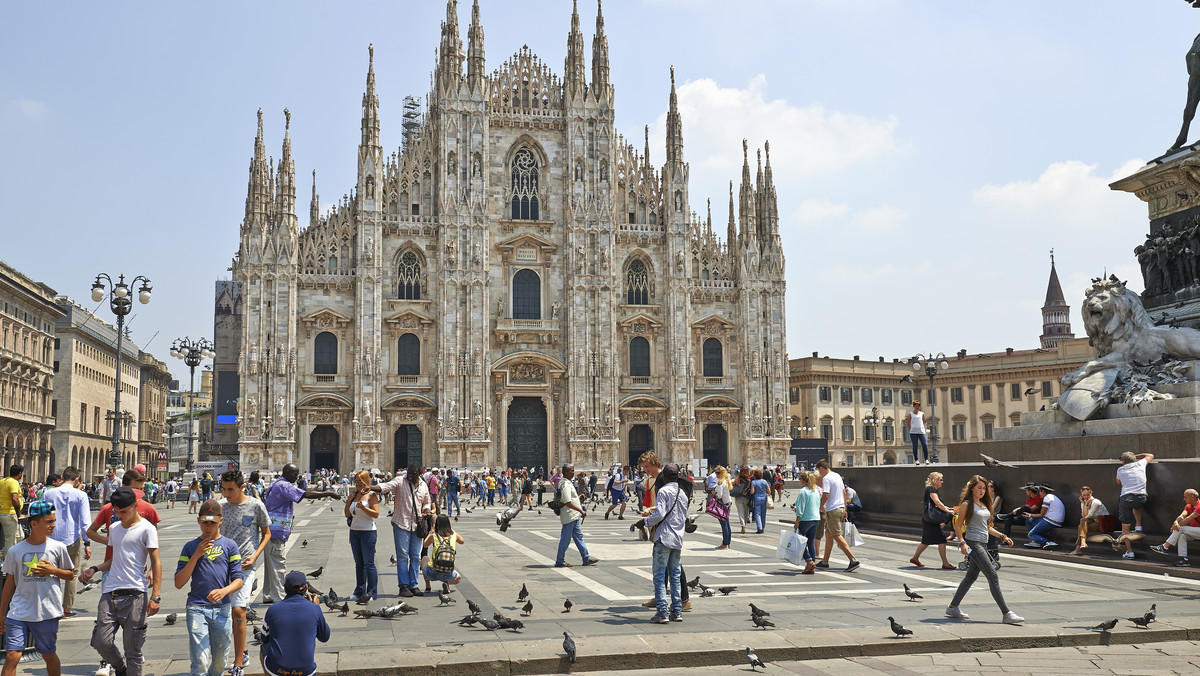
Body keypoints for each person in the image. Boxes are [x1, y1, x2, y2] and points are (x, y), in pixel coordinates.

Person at [80, 487, 162, 676]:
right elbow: (115, 559)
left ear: (135, 505)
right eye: (116, 512)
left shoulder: (147, 529)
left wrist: (155, 596)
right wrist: (95, 568)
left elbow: (156, 563)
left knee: (133, 650)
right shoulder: (115, 528)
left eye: (123, 512)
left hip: (135, 594)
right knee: (102, 641)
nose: (119, 516)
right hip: (111, 591)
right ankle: (121, 669)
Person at [0, 500, 74, 676]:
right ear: (34, 523)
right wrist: (2, 612)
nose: (53, 525)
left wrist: (53, 570)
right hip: (19, 611)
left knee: (48, 654)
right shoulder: (15, 551)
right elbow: (10, 583)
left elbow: (70, 575)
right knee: (12, 655)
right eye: (49, 522)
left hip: (47, 611)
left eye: (54, 521)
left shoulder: (58, 547)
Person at [174, 500, 244, 676]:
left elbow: (238, 580)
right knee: (200, 662)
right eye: (205, 522)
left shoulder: (230, 545)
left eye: (212, 522)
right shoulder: (190, 547)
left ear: (221, 520)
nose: (208, 526)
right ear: (198, 521)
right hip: (197, 608)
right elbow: (178, 582)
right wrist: (196, 555)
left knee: (220, 663)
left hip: (222, 609)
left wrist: (224, 591)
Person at [945, 475, 1024, 625]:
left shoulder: (983, 504)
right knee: (992, 576)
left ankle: (952, 607)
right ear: (972, 488)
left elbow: (987, 527)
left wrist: (1002, 536)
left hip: (983, 543)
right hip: (972, 544)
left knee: (970, 577)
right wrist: (962, 543)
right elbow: (958, 525)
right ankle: (1006, 614)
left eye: (984, 488)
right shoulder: (967, 504)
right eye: (979, 487)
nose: (982, 491)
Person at [261, 464, 339, 603]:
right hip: (276, 529)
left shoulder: (276, 483)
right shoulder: (284, 485)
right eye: (295, 474)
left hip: (270, 529)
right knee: (278, 564)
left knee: (270, 564)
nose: (297, 477)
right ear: (287, 472)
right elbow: (305, 494)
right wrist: (328, 493)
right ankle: (279, 597)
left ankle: (268, 595)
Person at [218, 470, 270, 676]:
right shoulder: (220, 506)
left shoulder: (256, 506)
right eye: (224, 489)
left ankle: (238, 663)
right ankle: (244, 650)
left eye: (230, 489)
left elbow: (267, 534)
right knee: (225, 613)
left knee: (238, 610)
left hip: (245, 566)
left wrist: (255, 556)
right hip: (222, 565)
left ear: (242, 487)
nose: (226, 493)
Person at [642, 463, 691, 624]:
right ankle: (676, 611)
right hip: (677, 538)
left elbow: (660, 514)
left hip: (663, 538)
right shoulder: (683, 493)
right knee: (675, 576)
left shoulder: (663, 491)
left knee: (659, 575)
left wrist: (646, 521)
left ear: (664, 476)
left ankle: (662, 612)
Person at [40, 466, 91, 618]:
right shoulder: (80, 495)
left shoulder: (47, 493)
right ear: (77, 479)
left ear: (62, 477)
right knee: (72, 574)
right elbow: (85, 522)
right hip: (71, 538)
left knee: (49, 572)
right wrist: (87, 543)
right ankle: (66, 609)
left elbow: (41, 515)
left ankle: (49, 607)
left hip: (50, 537)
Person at [374, 465, 432, 597]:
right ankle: (404, 586)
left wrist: (426, 509)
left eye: (413, 473)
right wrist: (371, 487)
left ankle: (414, 585)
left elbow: (427, 501)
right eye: (409, 473)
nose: (409, 476)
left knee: (416, 557)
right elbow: (385, 487)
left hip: (417, 525)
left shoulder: (423, 485)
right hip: (401, 523)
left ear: (419, 473)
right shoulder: (400, 480)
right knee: (402, 556)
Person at [260, 571, 330, 676]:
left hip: (278, 670)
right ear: (306, 588)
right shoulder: (315, 609)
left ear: (284, 588)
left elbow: (264, 638)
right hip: (306, 671)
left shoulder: (273, 609)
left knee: (263, 648)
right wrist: (316, 608)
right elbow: (324, 637)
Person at [814, 460, 859, 571]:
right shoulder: (837, 475)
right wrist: (844, 508)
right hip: (840, 508)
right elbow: (844, 491)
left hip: (832, 510)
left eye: (819, 472)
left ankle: (853, 560)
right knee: (828, 534)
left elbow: (825, 495)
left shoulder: (826, 478)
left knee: (836, 535)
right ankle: (825, 561)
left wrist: (820, 506)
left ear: (821, 469)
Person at [344, 470, 380, 604]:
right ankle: (359, 592)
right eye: (356, 481)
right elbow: (348, 514)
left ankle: (371, 592)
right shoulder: (354, 495)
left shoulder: (372, 495)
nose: (358, 484)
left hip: (368, 532)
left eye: (360, 481)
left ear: (366, 481)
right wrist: (349, 499)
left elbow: (376, 514)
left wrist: (363, 508)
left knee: (369, 563)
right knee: (359, 564)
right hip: (355, 531)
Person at [554, 464, 599, 568]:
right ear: (566, 472)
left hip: (573, 516)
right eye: (572, 471)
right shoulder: (565, 484)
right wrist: (581, 510)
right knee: (565, 539)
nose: (573, 472)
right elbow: (567, 502)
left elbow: (571, 499)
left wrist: (578, 499)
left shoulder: (568, 483)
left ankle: (586, 558)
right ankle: (560, 561)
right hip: (569, 515)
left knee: (579, 537)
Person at [912, 472, 956, 569]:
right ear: (934, 480)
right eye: (940, 479)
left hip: (930, 520)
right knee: (941, 540)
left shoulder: (932, 489)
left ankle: (915, 558)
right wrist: (947, 511)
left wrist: (948, 508)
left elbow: (936, 504)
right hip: (931, 521)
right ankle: (945, 563)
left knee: (926, 541)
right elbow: (937, 502)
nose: (942, 482)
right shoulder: (931, 489)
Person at [1116, 451, 1155, 559]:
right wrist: (1135, 457)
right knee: (1136, 505)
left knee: (1125, 527)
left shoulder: (1120, 469)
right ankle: (1138, 526)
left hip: (1127, 498)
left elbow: (1118, 482)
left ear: (1123, 461)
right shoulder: (1141, 463)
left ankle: (1130, 552)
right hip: (1142, 497)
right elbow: (1150, 455)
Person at [1150, 488, 1200, 567]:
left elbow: (1187, 519)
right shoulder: (1188, 506)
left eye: (1185, 497)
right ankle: (1184, 560)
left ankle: (1165, 547)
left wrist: (1175, 526)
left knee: (1181, 528)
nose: (1184, 499)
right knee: (1182, 536)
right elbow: (1182, 516)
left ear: (1192, 497)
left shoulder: (1199, 506)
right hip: (1195, 532)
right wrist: (1176, 522)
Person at [422, 515, 465, 586]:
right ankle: (446, 583)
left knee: (424, 558)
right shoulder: (453, 535)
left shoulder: (434, 535)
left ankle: (428, 586)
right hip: (448, 573)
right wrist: (453, 532)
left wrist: (431, 532)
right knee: (458, 578)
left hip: (432, 573)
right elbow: (462, 541)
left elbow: (425, 545)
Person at [792, 471, 821, 573]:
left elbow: (801, 507)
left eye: (800, 479)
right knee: (810, 542)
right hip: (815, 519)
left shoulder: (803, 491)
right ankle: (811, 566)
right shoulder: (816, 491)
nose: (800, 481)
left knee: (799, 542)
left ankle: (809, 562)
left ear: (803, 480)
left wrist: (797, 521)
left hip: (805, 519)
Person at [1071, 485, 1109, 556]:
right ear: (1081, 495)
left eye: (1088, 494)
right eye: (1084, 495)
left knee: (1080, 527)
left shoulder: (1096, 502)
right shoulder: (1083, 503)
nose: (1086, 497)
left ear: (1091, 493)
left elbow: (1089, 516)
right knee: (1082, 523)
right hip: (1093, 521)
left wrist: (1086, 504)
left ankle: (1079, 547)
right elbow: (1084, 516)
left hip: (1102, 523)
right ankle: (1081, 543)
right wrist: (1085, 504)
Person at [0, 465, 24, 569]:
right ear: (20, 473)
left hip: (4, 513)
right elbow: (14, 498)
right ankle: (8, 564)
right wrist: (19, 513)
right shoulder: (14, 482)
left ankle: (4, 554)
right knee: (11, 539)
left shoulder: (3, 481)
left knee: (20, 536)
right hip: (10, 514)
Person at [712, 466, 733, 549]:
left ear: (721, 473)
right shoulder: (727, 481)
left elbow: (719, 495)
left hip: (722, 505)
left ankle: (725, 543)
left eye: (717, 473)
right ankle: (728, 543)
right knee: (727, 524)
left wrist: (714, 494)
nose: (716, 475)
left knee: (724, 525)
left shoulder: (720, 483)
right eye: (715, 473)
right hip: (728, 503)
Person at [747, 469, 770, 534]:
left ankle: (759, 528)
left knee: (757, 513)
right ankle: (762, 527)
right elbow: (769, 491)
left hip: (756, 498)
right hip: (764, 497)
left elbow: (752, 492)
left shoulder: (753, 482)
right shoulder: (764, 481)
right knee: (763, 513)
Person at [732, 466, 752, 535]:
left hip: (738, 498)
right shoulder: (749, 480)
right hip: (746, 498)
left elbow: (733, 486)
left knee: (740, 512)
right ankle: (744, 524)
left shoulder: (737, 479)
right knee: (746, 512)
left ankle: (742, 525)